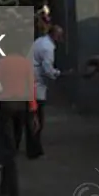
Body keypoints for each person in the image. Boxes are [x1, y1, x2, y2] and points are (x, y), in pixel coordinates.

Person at [0, 43, 39, 196]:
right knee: (13, 145)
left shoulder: (2, 63)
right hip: (22, 107)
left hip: (6, 106)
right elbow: (31, 87)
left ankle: (12, 195)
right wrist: (33, 110)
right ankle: (4, 185)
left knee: (8, 150)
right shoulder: (25, 64)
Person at [30, 24, 64, 154]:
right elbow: (48, 69)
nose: (61, 38)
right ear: (54, 35)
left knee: (33, 115)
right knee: (38, 117)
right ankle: (35, 147)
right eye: (59, 35)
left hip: (32, 80)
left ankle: (32, 145)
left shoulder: (40, 41)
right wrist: (58, 73)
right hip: (37, 83)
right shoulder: (48, 48)